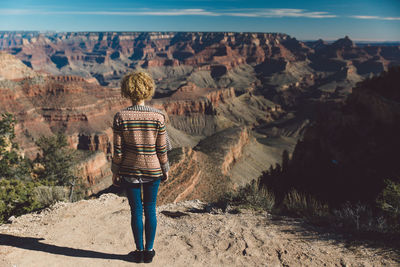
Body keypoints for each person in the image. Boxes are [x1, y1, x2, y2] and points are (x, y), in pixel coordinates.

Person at [111, 71, 172, 263]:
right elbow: (162, 149)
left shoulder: (121, 116)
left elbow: (118, 150)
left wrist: (115, 171)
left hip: (129, 169)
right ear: (148, 89)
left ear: (127, 91)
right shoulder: (158, 116)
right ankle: (150, 251)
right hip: (153, 169)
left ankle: (138, 252)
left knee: (136, 210)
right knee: (150, 209)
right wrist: (165, 168)